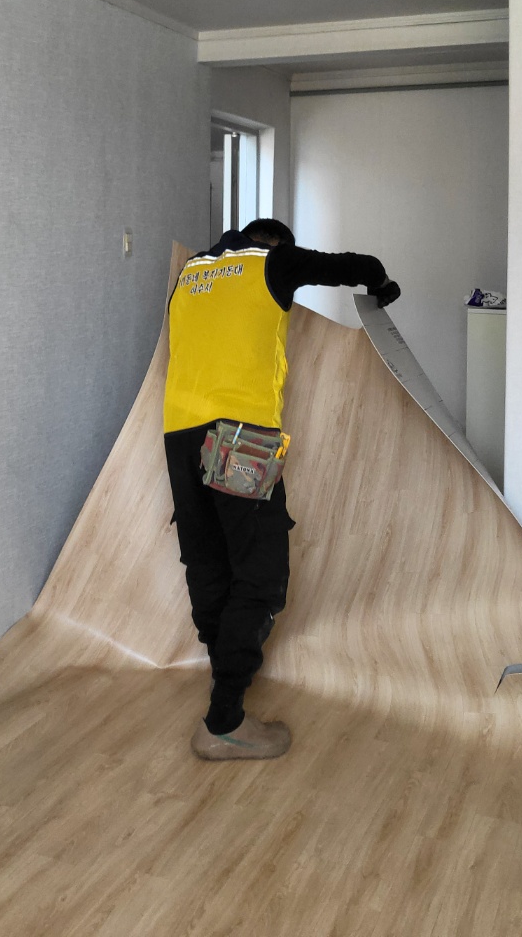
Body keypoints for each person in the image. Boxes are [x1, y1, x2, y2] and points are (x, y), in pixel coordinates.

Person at [163, 218, 400, 761]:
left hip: (179, 435)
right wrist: (381, 285)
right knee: (261, 575)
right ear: (276, 242)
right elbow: (356, 267)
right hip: (239, 434)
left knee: (207, 565)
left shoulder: (189, 274)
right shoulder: (272, 261)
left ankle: (223, 678)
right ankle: (224, 722)